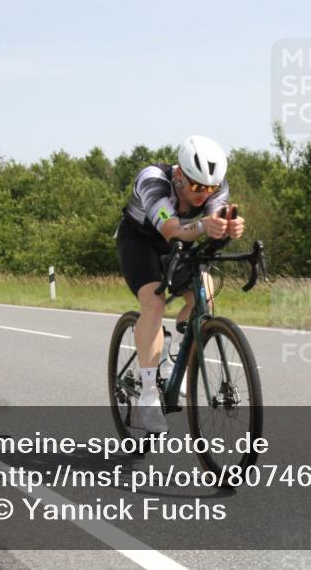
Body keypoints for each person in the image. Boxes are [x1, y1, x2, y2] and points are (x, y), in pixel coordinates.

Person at [115, 136, 245, 432]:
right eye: (197, 187)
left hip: (181, 240)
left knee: (205, 293)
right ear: (178, 176)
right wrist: (202, 226)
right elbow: (172, 229)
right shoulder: (152, 180)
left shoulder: (214, 187)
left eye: (210, 188)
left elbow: (215, 219)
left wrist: (229, 226)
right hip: (142, 241)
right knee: (154, 303)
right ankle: (147, 396)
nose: (204, 194)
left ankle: (176, 362)